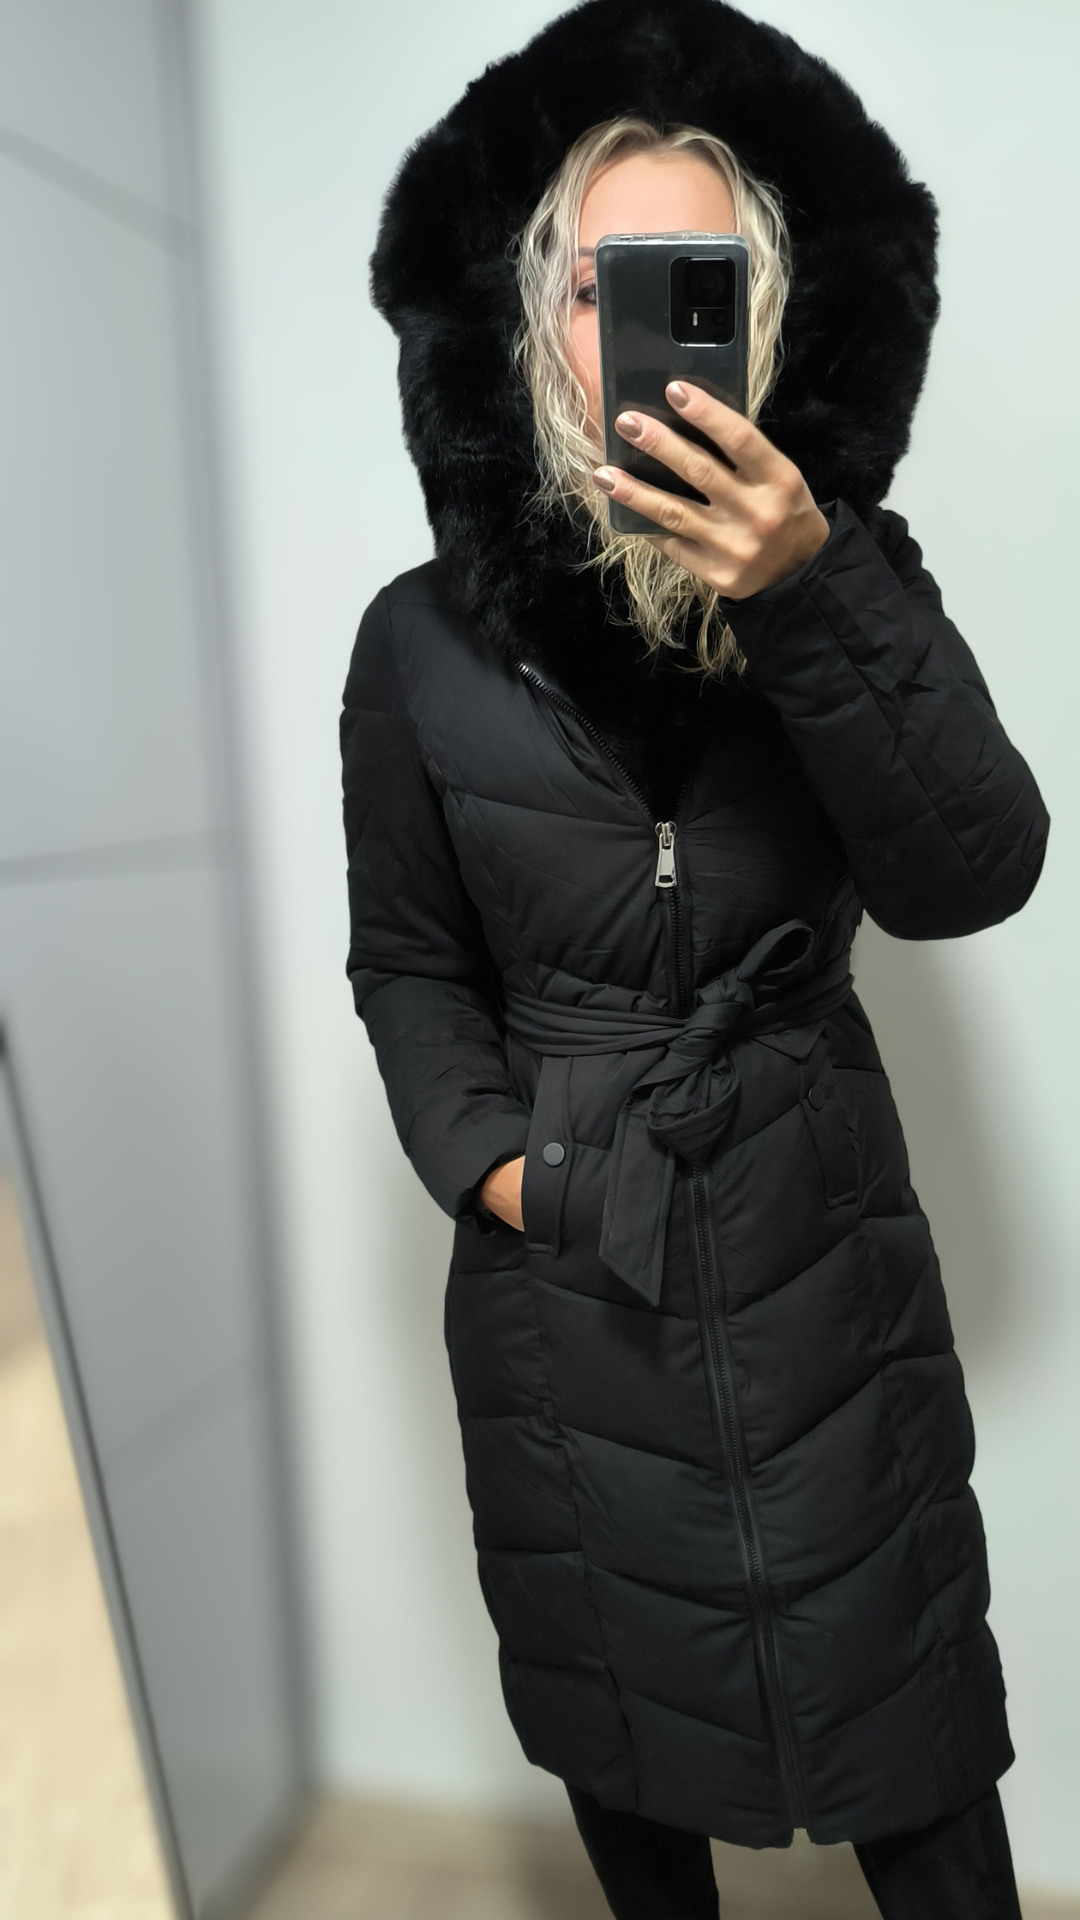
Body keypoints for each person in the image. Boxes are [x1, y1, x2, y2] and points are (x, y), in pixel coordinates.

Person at [341, 3, 1049, 1915]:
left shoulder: (853, 570)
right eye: (606, 282)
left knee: (914, 1723)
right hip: (570, 1283)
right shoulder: (419, 642)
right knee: (626, 1745)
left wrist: (809, 590)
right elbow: (407, 963)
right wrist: (514, 1173)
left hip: (823, 1249)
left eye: (698, 281)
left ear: (767, 310)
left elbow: (975, 874)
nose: (647, 323)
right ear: (538, 318)